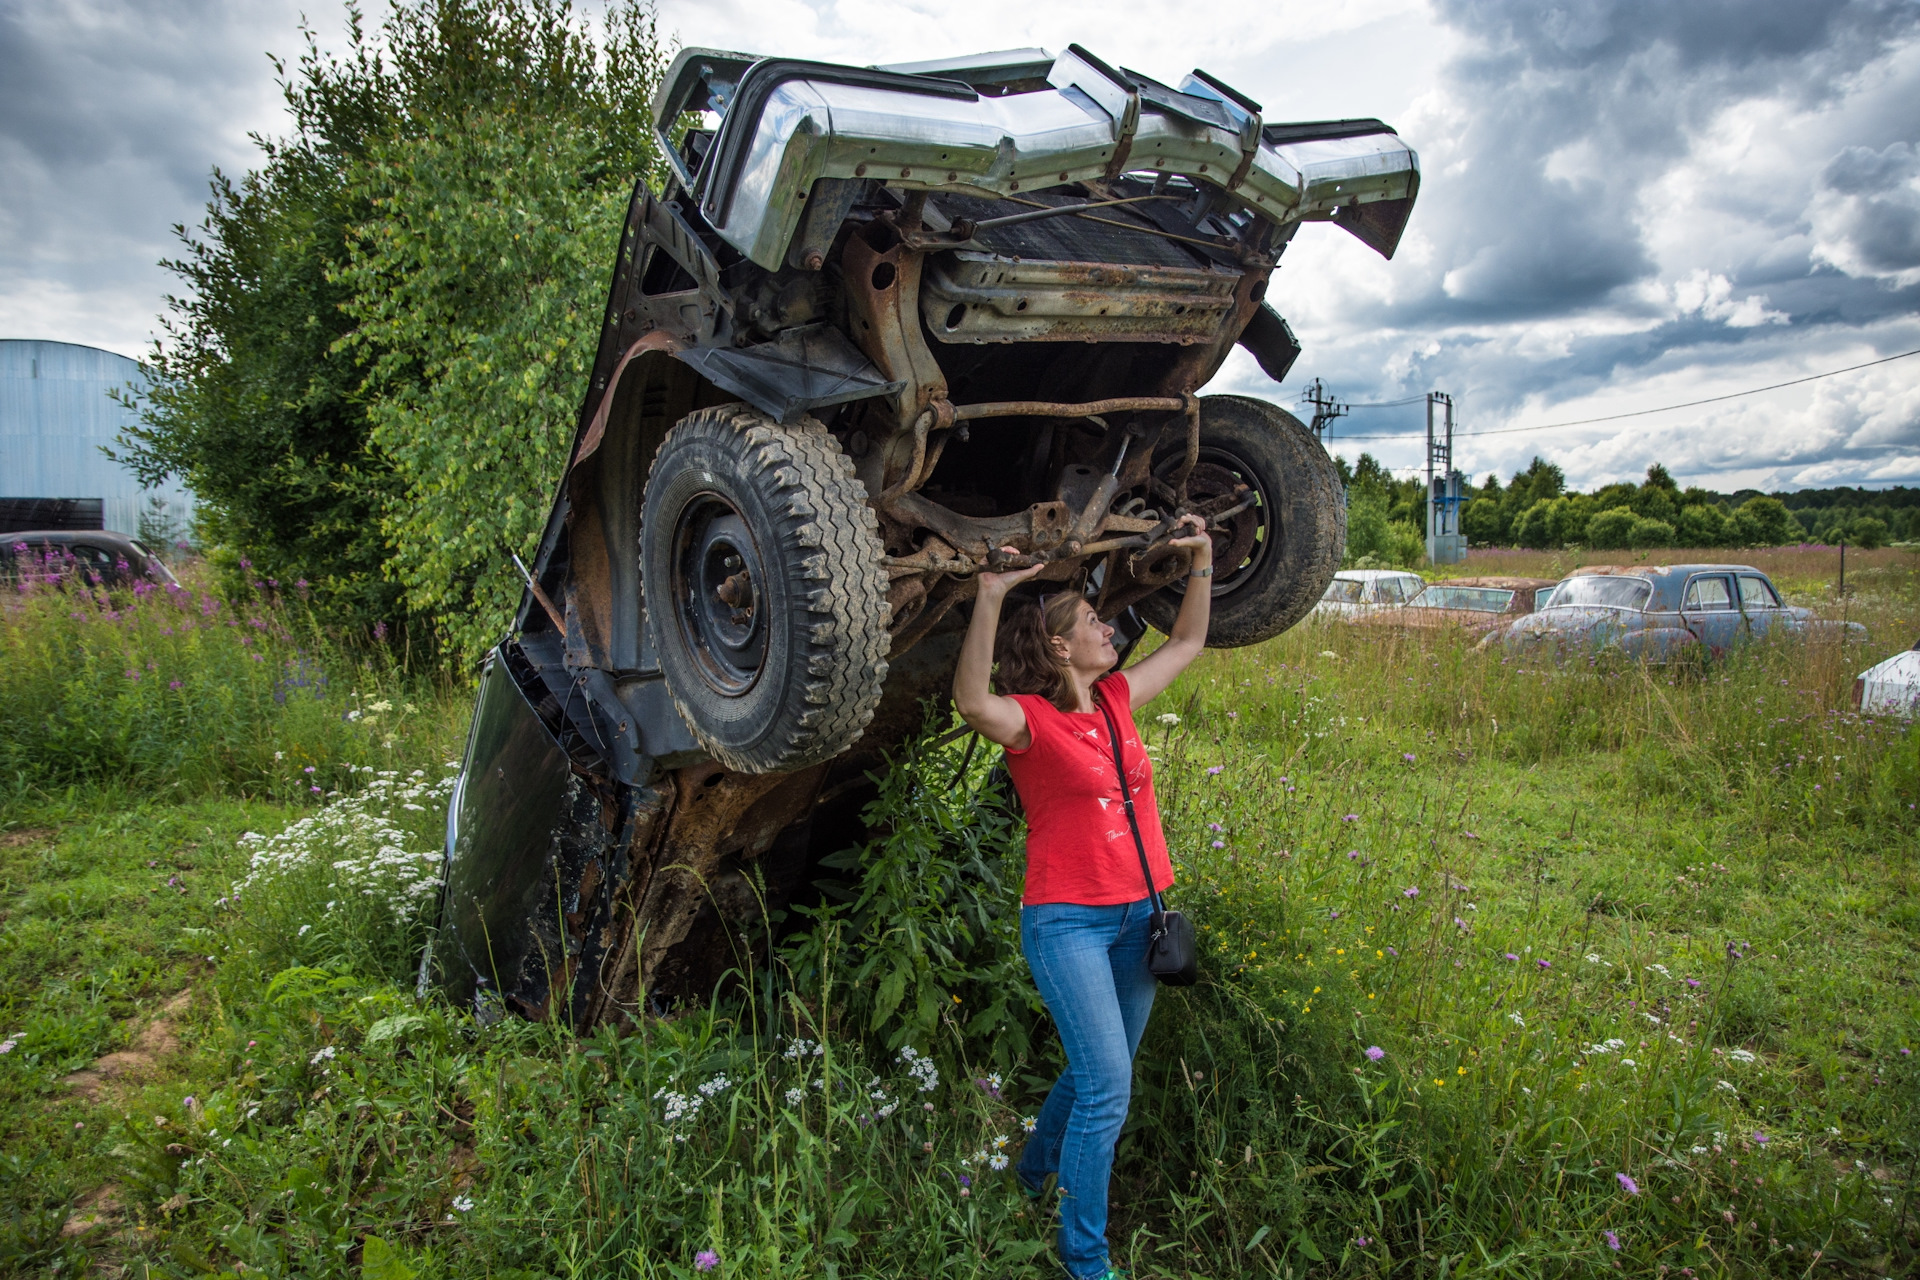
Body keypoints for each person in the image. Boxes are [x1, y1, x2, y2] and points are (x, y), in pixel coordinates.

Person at [951, 515, 1214, 1280]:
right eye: (1095, 622)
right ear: (1060, 646)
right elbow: (972, 700)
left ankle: (1031, 1179)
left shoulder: (1118, 700)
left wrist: (1200, 558)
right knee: (1108, 1087)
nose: (1111, 629)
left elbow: (1190, 642)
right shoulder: (1030, 721)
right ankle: (1085, 1259)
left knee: (1101, 1069)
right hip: (1066, 922)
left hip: (1141, 916)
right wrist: (992, 595)